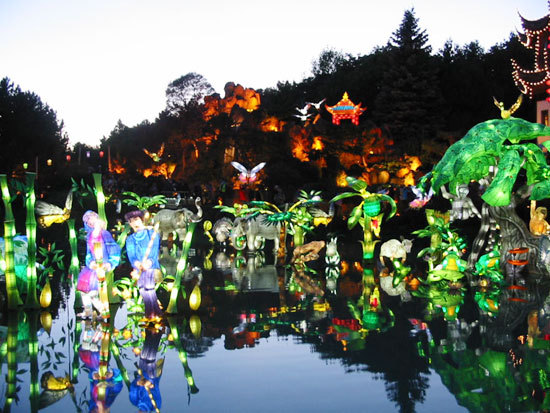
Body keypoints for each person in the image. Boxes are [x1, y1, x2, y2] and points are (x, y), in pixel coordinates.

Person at [77, 211, 121, 319]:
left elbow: (114, 249)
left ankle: (103, 311)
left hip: (102, 265)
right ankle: (87, 311)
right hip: (91, 267)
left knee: (93, 293)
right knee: (84, 291)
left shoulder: (105, 234)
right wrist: (90, 262)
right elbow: (88, 253)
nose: (91, 222)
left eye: (92, 219)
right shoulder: (89, 236)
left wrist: (110, 263)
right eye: (88, 221)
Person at [125, 210, 163, 321]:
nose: (134, 223)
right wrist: (137, 263)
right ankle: (151, 312)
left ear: (142, 220)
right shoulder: (130, 239)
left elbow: (154, 251)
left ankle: (154, 313)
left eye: (136, 220)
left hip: (150, 266)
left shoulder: (151, 235)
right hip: (139, 268)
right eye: (131, 221)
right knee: (142, 289)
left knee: (149, 288)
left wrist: (149, 262)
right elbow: (131, 255)